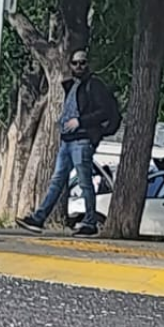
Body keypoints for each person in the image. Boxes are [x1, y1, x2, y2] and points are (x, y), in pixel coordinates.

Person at [16, 49, 121, 237]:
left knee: (84, 181)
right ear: (70, 65)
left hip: (82, 140)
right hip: (67, 141)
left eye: (82, 62)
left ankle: (90, 222)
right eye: (75, 63)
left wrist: (80, 121)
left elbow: (104, 111)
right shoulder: (72, 86)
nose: (79, 66)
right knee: (57, 180)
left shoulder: (94, 85)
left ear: (88, 64)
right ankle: (39, 218)